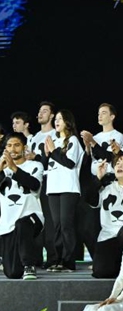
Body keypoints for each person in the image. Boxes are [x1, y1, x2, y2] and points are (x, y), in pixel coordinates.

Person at [79, 103, 123, 263]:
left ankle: (113, 258)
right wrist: (87, 146)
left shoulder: (117, 136)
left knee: (108, 222)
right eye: (99, 113)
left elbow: (112, 157)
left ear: (112, 116)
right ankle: (98, 258)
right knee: (88, 226)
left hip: (110, 180)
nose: (100, 116)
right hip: (95, 180)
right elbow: (86, 162)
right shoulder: (96, 136)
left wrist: (92, 143)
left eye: (104, 113)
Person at [44, 110, 84, 272]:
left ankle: (69, 261)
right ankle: (57, 259)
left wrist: (53, 151)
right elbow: (49, 163)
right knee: (57, 225)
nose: (57, 121)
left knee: (66, 225)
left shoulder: (72, 140)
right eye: (56, 119)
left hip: (69, 188)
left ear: (68, 122)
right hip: (53, 188)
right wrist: (46, 153)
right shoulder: (53, 140)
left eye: (60, 119)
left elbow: (69, 163)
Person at [0, 132, 44, 280]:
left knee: (22, 223)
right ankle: (21, 265)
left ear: (24, 147)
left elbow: (34, 185)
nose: (13, 149)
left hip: (32, 218)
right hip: (8, 225)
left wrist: (14, 168)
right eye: (9, 145)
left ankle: (29, 265)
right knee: (12, 273)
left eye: (17, 145)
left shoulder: (35, 165)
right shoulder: (2, 170)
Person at [29, 101, 58, 268]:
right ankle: (36, 257)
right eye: (39, 111)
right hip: (35, 180)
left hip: (49, 180)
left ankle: (53, 257)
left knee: (51, 220)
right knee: (35, 217)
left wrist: (37, 158)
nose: (40, 114)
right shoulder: (34, 137)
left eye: (45, 111)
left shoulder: (55, 135)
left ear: (52, 115)